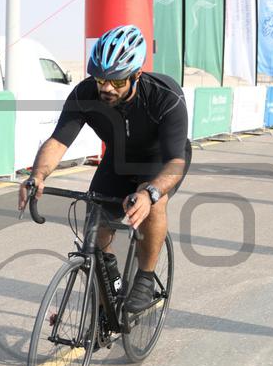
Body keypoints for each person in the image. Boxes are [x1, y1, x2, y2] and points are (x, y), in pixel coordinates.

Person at [18, 24, 191, 312]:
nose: (107, 88)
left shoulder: (164, 95)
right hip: (119, 159)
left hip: (162, 161)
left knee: (153, 203)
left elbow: (176, 161)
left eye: (117, 82)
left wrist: (149, 194)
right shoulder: (86, 93)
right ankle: (108, 294)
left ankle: (145, 277)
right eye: (100, 79)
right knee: (95, 226)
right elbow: (58, 141)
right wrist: (37, 176)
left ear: (136, 75)